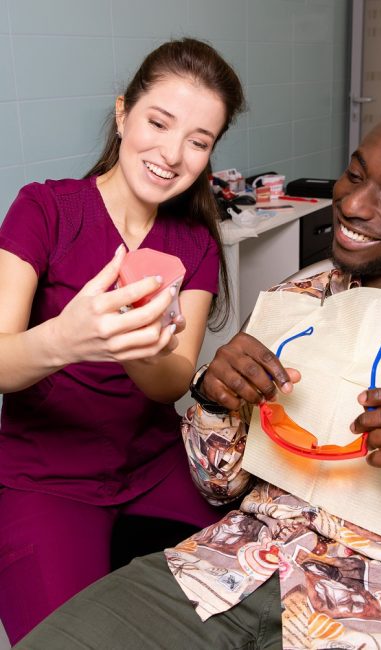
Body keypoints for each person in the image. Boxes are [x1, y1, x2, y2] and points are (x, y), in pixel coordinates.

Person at [14, 106, 381, 650]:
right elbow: (217, 485)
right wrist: (213, 399)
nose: (353, 204)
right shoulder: (291, 304)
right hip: (224, 567)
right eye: (356, 175)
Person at [0, 37, 245, 644]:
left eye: (199, 140)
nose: (172, 154)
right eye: (158, 123)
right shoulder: (45, 209)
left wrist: (145, 346)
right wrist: (66, 339)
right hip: (44, 479)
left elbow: (171, 381)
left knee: (237, 613)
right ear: (122, 113)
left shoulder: (195, 244)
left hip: (154, 468)